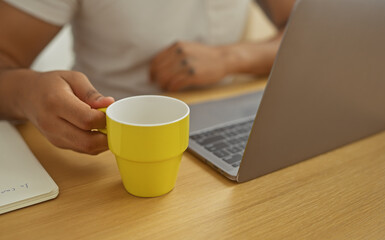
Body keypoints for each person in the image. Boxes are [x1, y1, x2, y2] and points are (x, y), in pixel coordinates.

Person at [0, 0, 295, 154]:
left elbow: (307, 31)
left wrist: (230, 58)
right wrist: (29, 94)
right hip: (105, 141)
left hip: (231, 120)